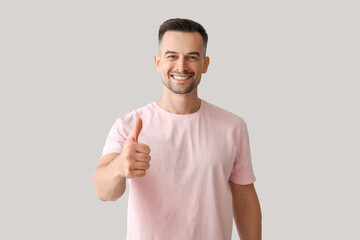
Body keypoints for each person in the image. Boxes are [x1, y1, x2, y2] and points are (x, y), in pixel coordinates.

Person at [92, 18, 262, 240]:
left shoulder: (233, 127)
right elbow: (104, 192)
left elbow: (245, 201)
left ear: (205, 64)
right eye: (172, 56)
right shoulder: (128, 125)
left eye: (192, 57)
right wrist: (119, 167)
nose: (181, 67)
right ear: (158, 62)